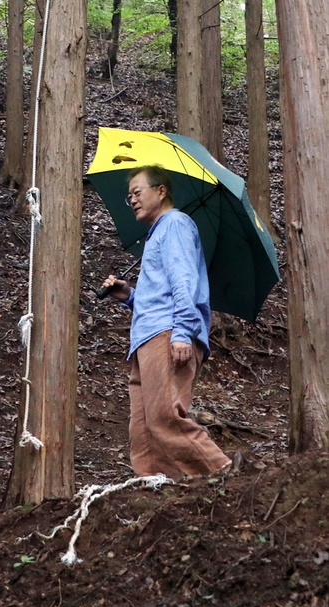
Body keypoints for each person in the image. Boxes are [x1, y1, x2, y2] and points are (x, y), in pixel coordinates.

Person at [101, 165, 235, 479]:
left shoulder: (175, 223)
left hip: (168, 333)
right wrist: (129, 295)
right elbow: (160, 293)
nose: (132, 199)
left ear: (161, 191)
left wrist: (183, 332)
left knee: (164, 418)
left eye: (137, 192)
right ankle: (152, 490)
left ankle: (225, 475)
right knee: (143, 429)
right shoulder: (159, 232)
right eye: (129, 196)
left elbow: (184, 282)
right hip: (147, 338)